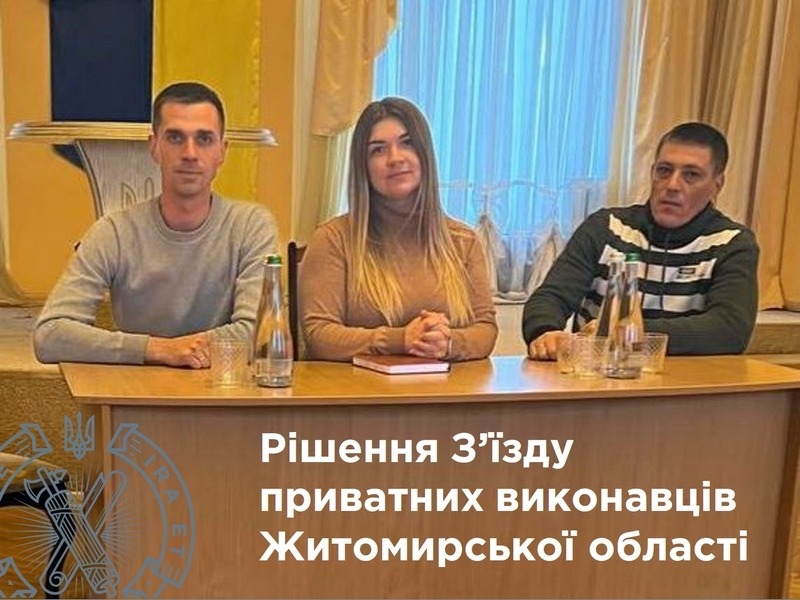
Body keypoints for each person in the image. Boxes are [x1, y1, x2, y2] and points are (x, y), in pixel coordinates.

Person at [34, 82, 278, 368]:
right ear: (154, 147)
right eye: (175, 138)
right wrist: (157, 349)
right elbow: (50, 335)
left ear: (222, 151)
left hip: (223, 390)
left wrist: (182, 351)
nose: (190, 153)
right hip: (136, 390)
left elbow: (258, 334)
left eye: (204, 139)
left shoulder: (252, 227)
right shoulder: (114, 232)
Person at [523, 121, 759, 359]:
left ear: (717, 185)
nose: (672, 185)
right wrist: (545, 331)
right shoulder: (605, 227)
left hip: (686, 379)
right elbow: (550, 297)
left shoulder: (732, 243)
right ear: (652, 172)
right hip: (597, 374)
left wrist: (630, 332)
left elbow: (730, 330)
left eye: (691, 175)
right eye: (664, 171)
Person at [300, 97, 497, 361]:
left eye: (407, 143)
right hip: (357, 386)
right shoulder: (333, 239)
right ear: (363, 167)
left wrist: (448, 343)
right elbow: (318, 336)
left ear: (424, 154)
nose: (395, 158)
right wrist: (399, 339)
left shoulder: (464, 241)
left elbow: (485, 329)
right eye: (378, 150)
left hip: (444, 386)